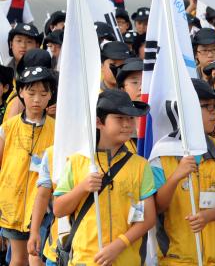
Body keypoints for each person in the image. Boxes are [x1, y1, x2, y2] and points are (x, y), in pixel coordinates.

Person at [53, 89, 156, 266]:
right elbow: (59, 209)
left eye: (130, 118)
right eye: (119, 118)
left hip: (127, 259)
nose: (127, 124)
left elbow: (148, 218)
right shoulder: (78, 162)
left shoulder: (141, 165)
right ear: (99, 122)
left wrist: (119, 245)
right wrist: (82, 188)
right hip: (85, 260)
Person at [151, 79, 215, 265]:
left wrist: (208, 216)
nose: (214, 113)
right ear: (187, 110)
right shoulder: (162, 153)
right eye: (206, 107)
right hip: (177, 259)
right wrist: (176, 176)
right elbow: (157, 207)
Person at [0, 66, 56, 266]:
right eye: (31, 93)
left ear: (50, 96)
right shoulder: (8, 128)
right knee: (18, 259)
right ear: (21, 92)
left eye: (43, 93)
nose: (36, 99)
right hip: (11, 205)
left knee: (35, 258)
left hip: (42, 207)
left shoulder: (56, 130)